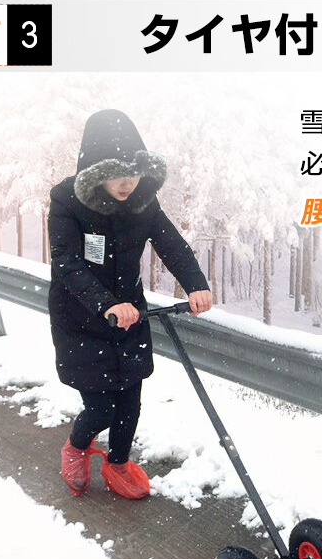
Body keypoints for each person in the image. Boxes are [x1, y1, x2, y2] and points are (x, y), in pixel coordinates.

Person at [48, 109, 211, 499]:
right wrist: (105, 304)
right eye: (116, 173)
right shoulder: (67, 200)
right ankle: (76, 447)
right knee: (101, 407)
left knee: (129, 402)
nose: (127, 183)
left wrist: (195, 284)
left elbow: (170, 243)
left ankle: (118, 463)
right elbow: (67, 263)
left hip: (129, 315)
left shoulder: (142, 201)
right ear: (95, 171)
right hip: (82, 317)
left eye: (134, 173)